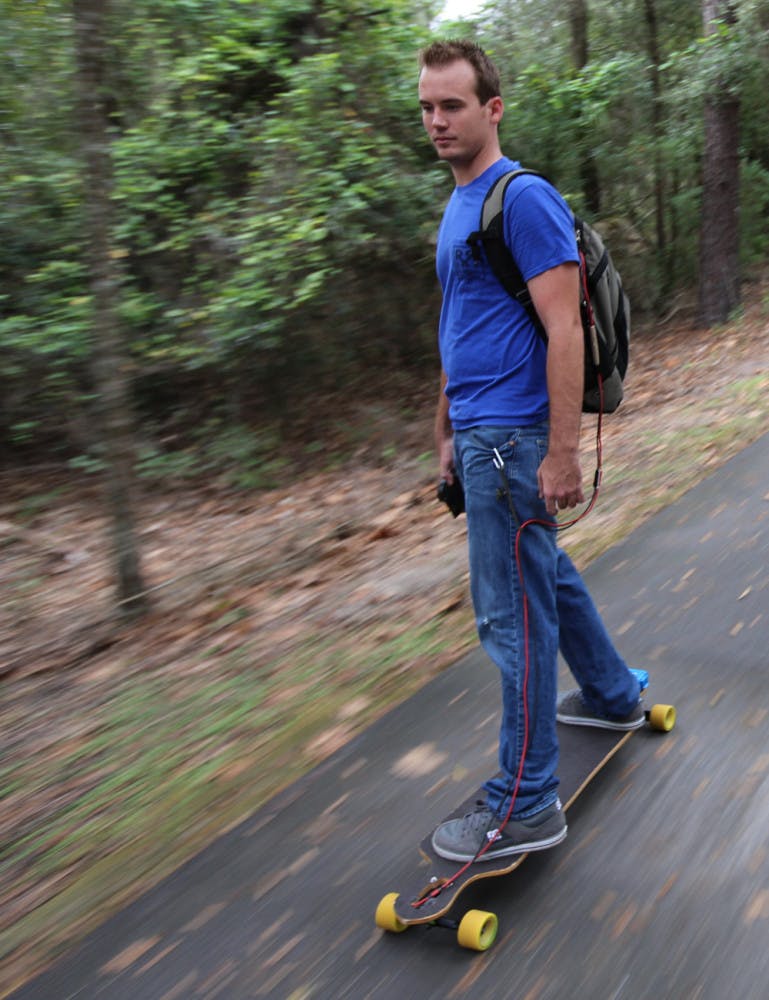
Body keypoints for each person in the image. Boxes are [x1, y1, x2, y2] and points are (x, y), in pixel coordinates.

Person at [418, 40, 644, 864]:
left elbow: (562, 330)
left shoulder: (522, 199)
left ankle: (525, 801)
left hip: (515, 443)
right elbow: (462, 327)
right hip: (480, 435)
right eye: (427, 107)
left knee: (510, 621)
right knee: (542, 576)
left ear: (492, 108)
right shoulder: (457, 205)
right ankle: (613, 693)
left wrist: (559, 453)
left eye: (452, 105)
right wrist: (444, 425)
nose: (437, 121)